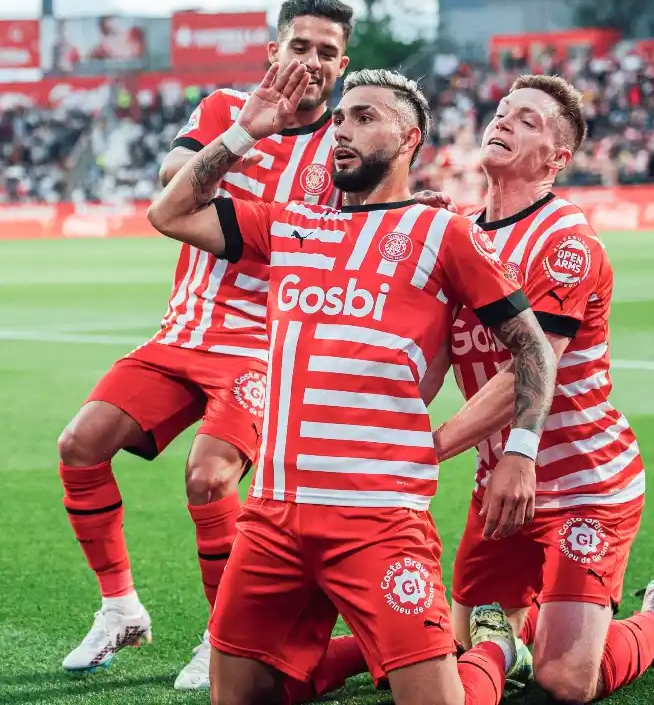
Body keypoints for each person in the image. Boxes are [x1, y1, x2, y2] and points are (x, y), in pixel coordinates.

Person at [147, 61, 558, 705]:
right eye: (339, 117)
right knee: (239, 697)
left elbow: (532, 347)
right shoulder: (287, 226)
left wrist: (521, 453)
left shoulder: (441, 232)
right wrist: (246, 132)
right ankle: (377, 654)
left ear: (409, 139)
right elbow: (168, 213)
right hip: (273, 518)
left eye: (364, 117)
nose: (341, 129)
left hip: (379, 518)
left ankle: (490, 651)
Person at [56, 0, 354, 690]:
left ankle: (224, 639)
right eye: (299, 46)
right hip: (183, 330)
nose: (310, 61)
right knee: (79, 445)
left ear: (344, 65)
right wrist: (249, 133)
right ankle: (120, 607)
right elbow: (170, 183)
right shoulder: (225, 106)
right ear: (273, 50)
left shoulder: (344, 137)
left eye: (325, 52)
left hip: (263, 345)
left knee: (211, 476)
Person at [443, 75, 654, 703]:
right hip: (499, 484)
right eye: (501, 113)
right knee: (468, 654)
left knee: (563, 683)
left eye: (527, 120)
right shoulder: (457, 235)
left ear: (558, 158)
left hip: (582, 483)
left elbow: (530, 365)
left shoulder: (564, 241)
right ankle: (511, 637)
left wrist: (426, 447)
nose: (503, 122)